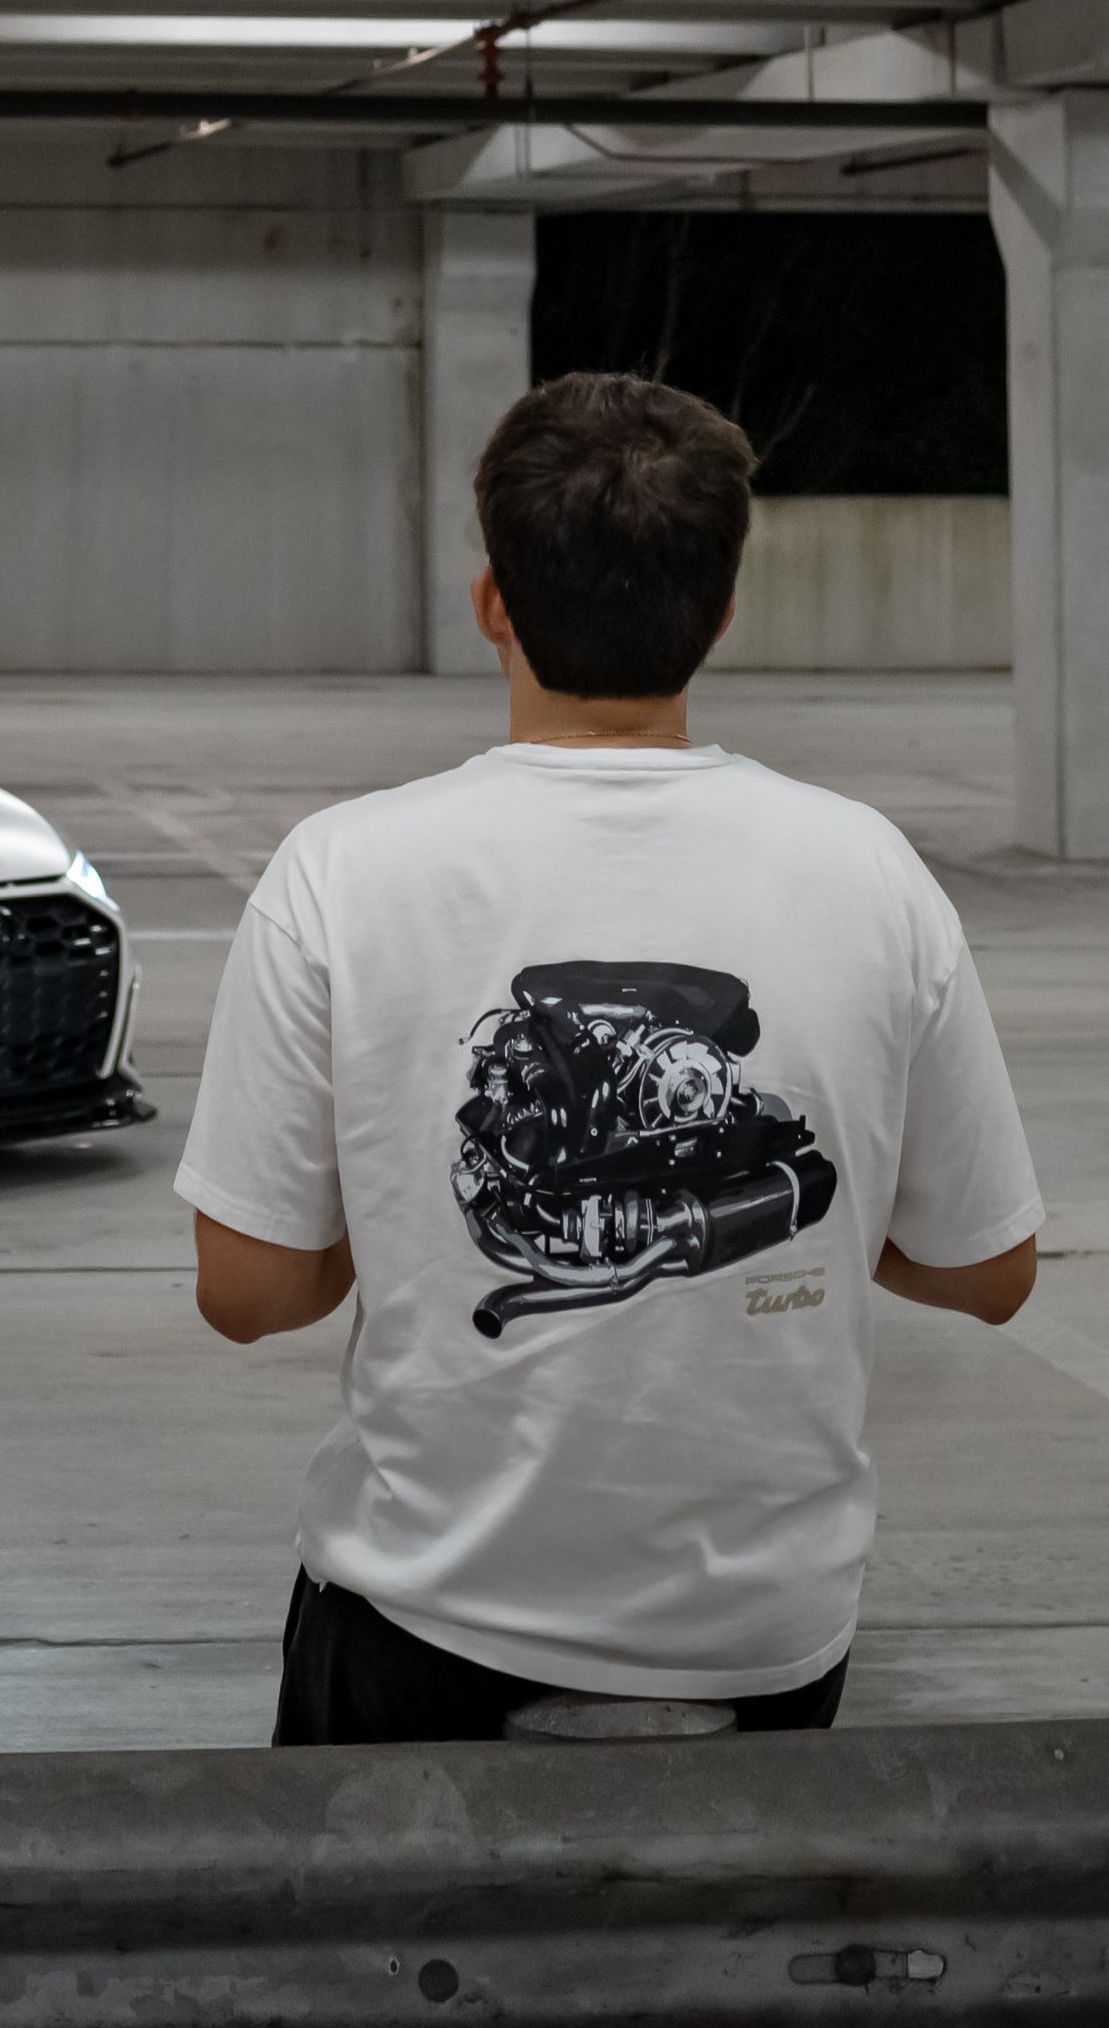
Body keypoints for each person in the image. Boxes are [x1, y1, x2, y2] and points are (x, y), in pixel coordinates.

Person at [179, 369, 1042, 1744]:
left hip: (429, 1608)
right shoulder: (871, 870)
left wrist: (396, 1205)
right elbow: (988, 1270)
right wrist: (786, 1202)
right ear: (722, 612)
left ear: (492, 602)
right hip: (763, 1638)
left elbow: (249, 1290)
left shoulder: (340, 869)